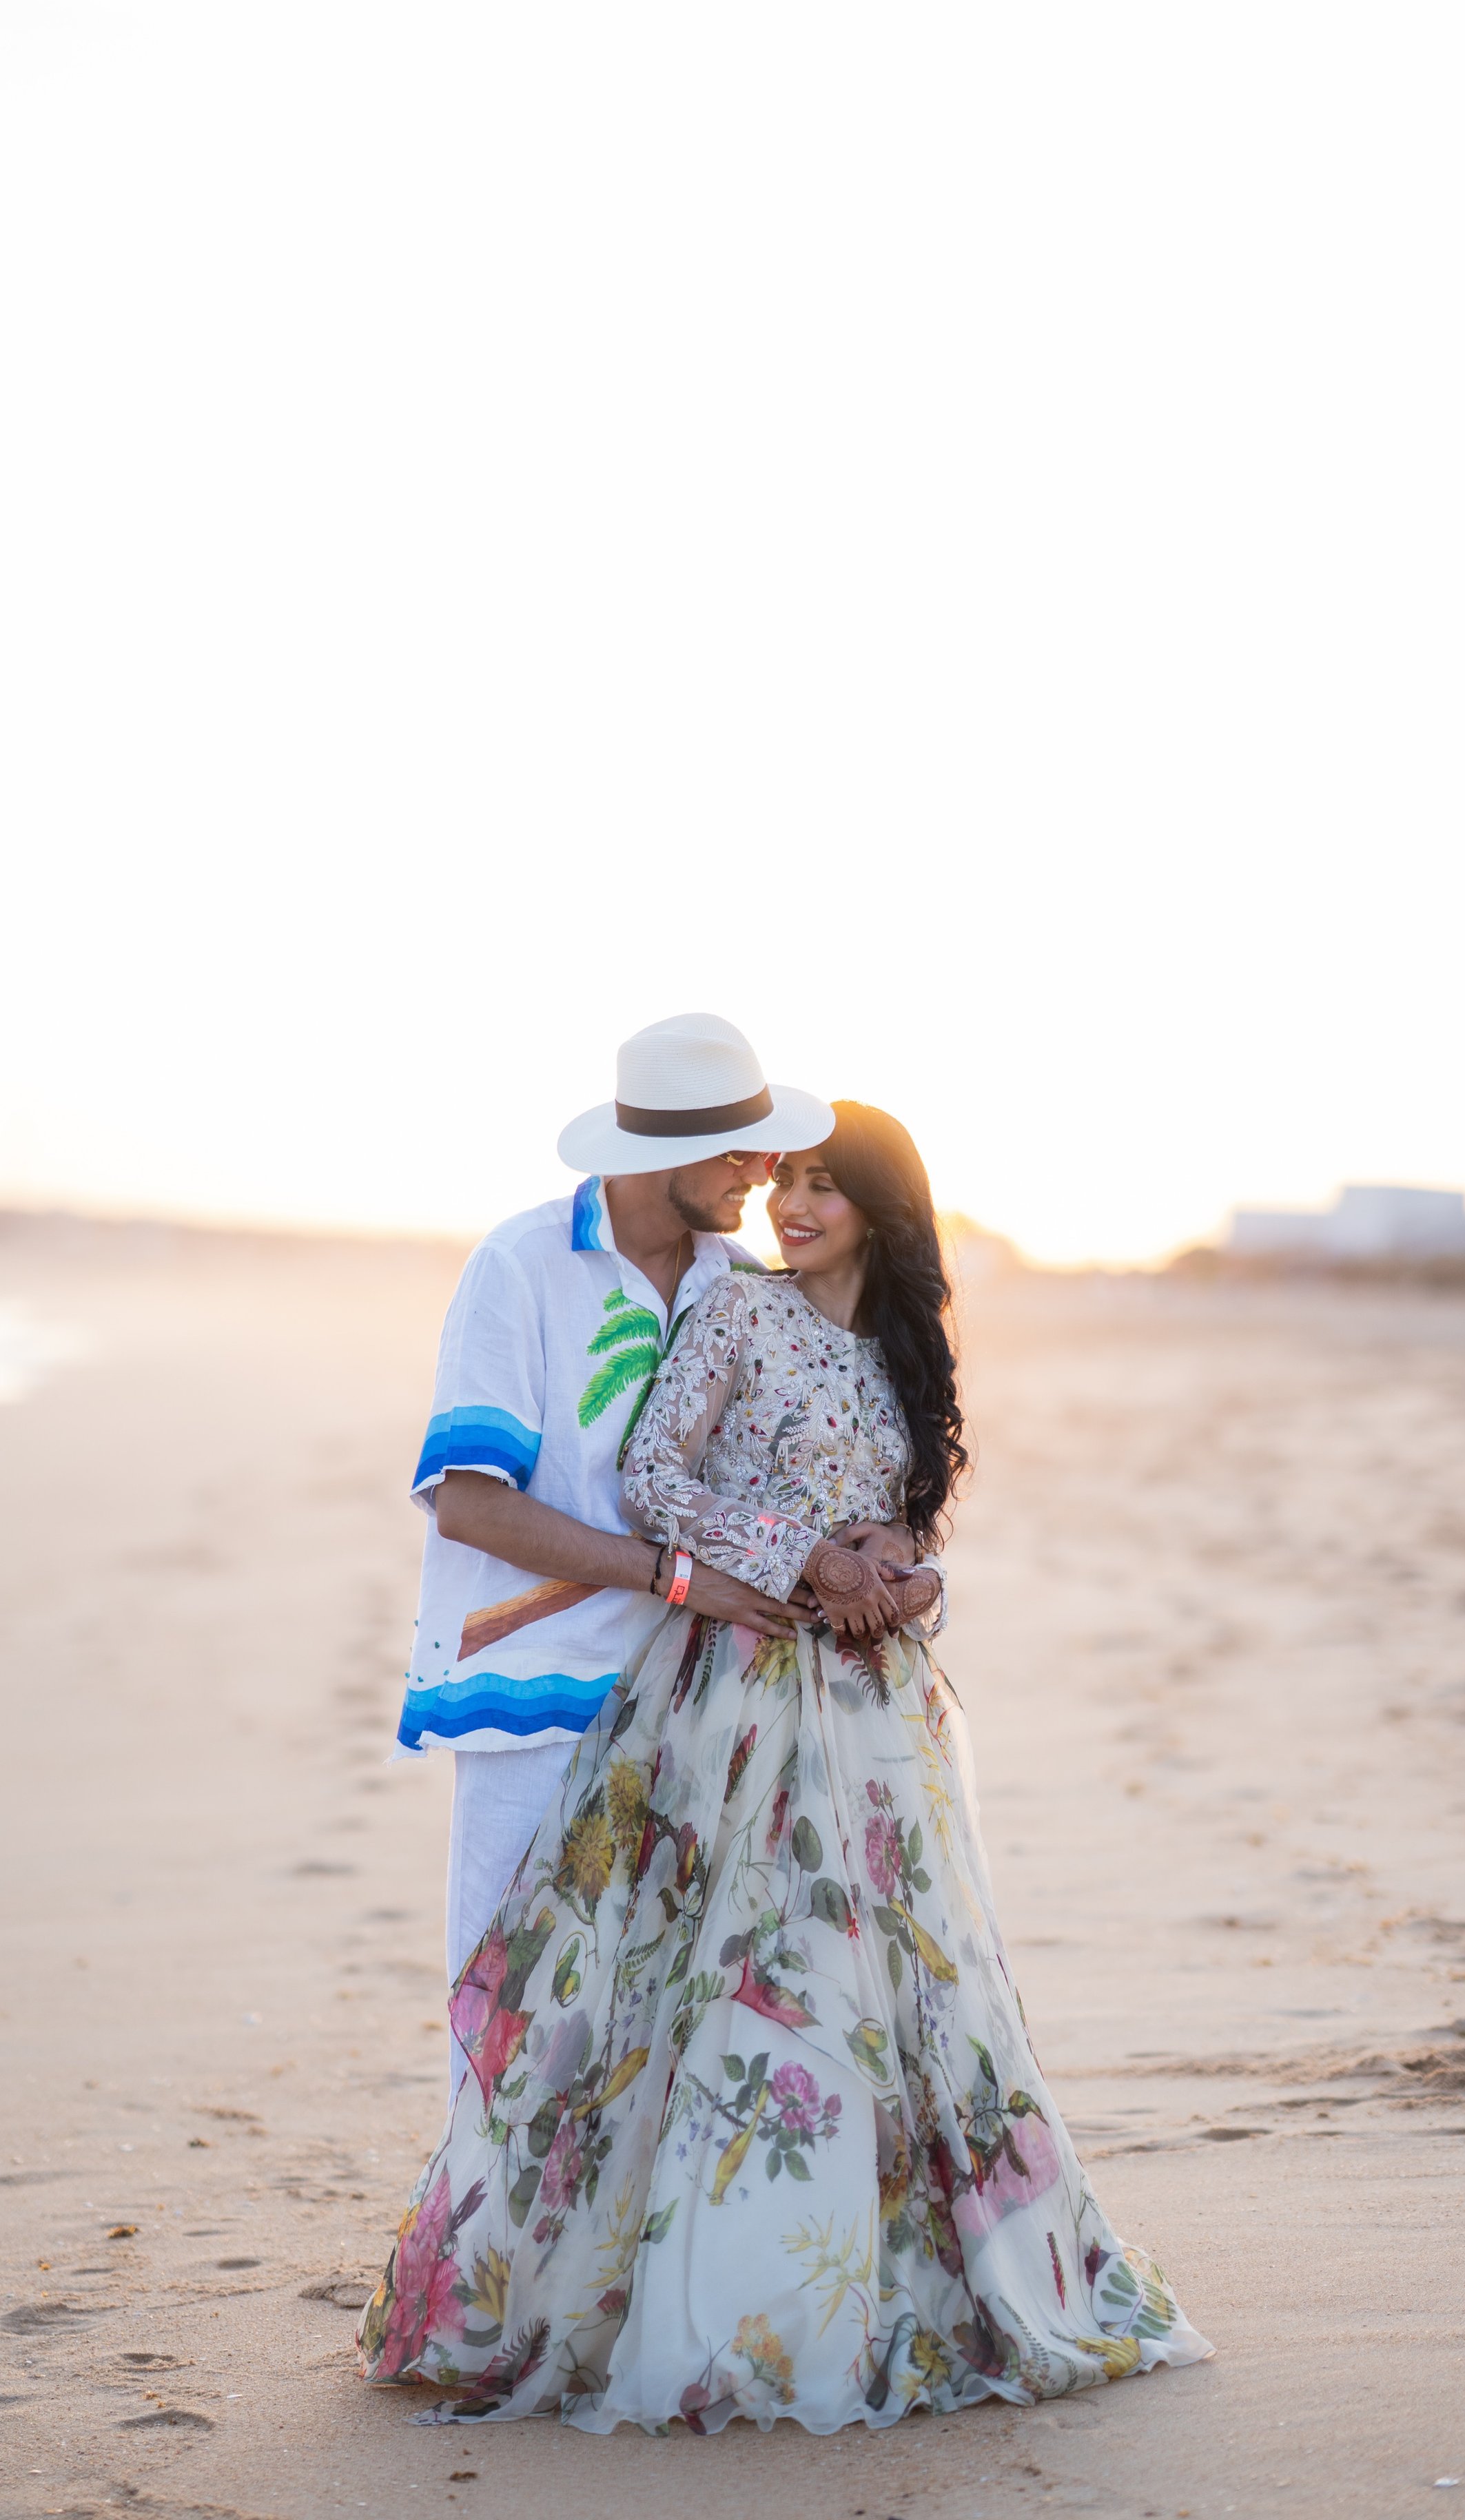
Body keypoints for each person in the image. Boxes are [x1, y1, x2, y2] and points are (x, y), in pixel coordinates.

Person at [360, 1102, 1212, 2429]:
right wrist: (804, 1555)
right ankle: (597, 2288)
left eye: (823, 1184)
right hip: (723, 1691)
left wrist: (904, 1574)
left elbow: (907, 1523)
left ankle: (860, 2279)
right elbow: (652, 1477)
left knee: (883, 1989)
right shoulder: (724, 1304)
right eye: (781, 1178)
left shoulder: (885, 1345)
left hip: (870, 1718)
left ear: (883, 1210)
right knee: (679, 1982)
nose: (787, 1200)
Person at [394, 1012, 913, 2092]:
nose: (763, 1175)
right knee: (512, 2017)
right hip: (535, 1690)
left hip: (692, 1701)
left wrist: (887, 1544)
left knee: (652, 2030)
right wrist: (676, 1576)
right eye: (741, 1153)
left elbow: (797, 1476)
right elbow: (470, 1505)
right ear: (664, 1152)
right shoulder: (523, 1265)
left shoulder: (738, 1283)